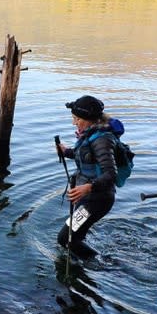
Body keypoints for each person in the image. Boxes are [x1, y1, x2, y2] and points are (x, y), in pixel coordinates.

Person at [55, 95, 117, 259]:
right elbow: (86, 157)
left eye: (77, 119)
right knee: (73, 236)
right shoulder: (91, 134)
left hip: (96, 199)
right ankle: (85, 261)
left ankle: (103, 264)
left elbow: (111, 174)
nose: (74, 123)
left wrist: (89, 187)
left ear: (89, 119)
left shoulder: (102, 139)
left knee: (65, 239)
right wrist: (66, 151)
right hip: (86, 196)